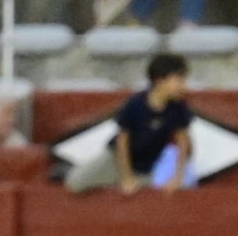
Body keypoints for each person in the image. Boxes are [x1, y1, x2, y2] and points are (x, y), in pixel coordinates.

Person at [66, 53, 191, 195]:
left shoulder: (178, 107)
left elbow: (183, 141)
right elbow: (122, 140)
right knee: (75, 183)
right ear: (160, 81)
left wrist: (177, 177)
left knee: (148, 196)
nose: (183, 86)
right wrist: (126, 177)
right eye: (179, 80)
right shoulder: (136, 104)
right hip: (115, 160)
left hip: (144, 168)